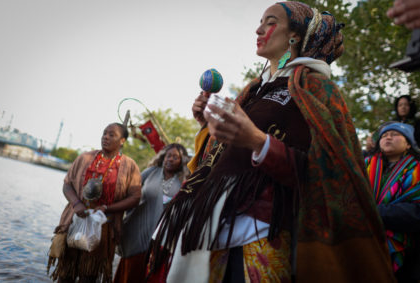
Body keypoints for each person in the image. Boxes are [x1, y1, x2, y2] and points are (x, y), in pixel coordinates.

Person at [147, 2, 395, 282]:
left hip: (264, 230)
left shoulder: (317, 88)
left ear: (296, 36)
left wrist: (258, 142)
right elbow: (220, 157)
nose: (259, 28)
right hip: (213, 225)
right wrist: (208, 125)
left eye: (270, 22)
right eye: (260, 21)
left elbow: (326, 173)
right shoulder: (252, 90)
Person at [47, 123, 141, 283]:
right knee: (65, 273)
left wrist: (107, 208)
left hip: (103, 226)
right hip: (75, 220)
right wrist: (76, 203)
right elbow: (67, 184)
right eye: (104, 133)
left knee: (88, 275)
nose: (106, 137)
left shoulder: (130, 166)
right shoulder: (85, 158)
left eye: (112, 135)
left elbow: (135, 198)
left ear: (122, 140)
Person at [113, 143, 189, 283]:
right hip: (137, 232)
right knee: (129, 273)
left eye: (175, 157)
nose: (170, 159)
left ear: (182, 161)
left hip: (162, 239)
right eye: (168, 156)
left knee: (151, 275)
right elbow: (129, 192)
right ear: (163, 157)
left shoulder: (183, 182)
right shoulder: (151, 172)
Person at [365, 122, 420, 282]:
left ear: (408, 144)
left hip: (404, 251)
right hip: (360, 244)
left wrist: (375, 212)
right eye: (384, 135)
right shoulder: (363, 166)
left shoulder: (417, 171)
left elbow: (416, 212)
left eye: (395, 134)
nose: (388, 137)